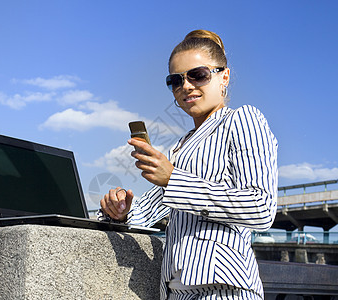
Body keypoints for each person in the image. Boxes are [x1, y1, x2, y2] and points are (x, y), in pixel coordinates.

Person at [98, 29, 278, 300]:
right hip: (176, 292)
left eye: (199, 75)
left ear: (224, 77)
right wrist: (121, 210)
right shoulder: (181, 147)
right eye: (176, 80)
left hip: (225, 290)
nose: (186, 86)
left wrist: (172, 179)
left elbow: (261, 207)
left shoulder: (242, 120)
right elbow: (148, 212)